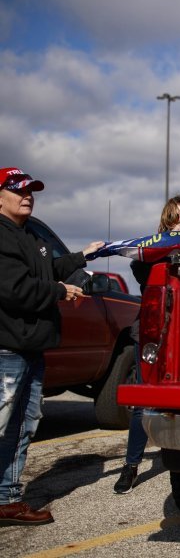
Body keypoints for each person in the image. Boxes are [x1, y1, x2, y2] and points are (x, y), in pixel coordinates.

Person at [0, 167, 104, 526]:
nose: (27, 195)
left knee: (23, 426)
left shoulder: (29, 235)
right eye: (17, 189)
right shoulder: (1, 237)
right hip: (7, 352)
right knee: (3, 426)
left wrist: (83, 256)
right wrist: (61, 291)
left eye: (31, 190)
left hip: (31, 349)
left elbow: (49, 267)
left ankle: (7, 500)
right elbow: (15, 289)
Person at [113, 195, 180, 494]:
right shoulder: (153, 250)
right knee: (143, 402)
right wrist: (170, 245)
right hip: (154, 331)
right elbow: (144, 276)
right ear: (166, 222)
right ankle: (130, 466)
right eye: (176, 217)